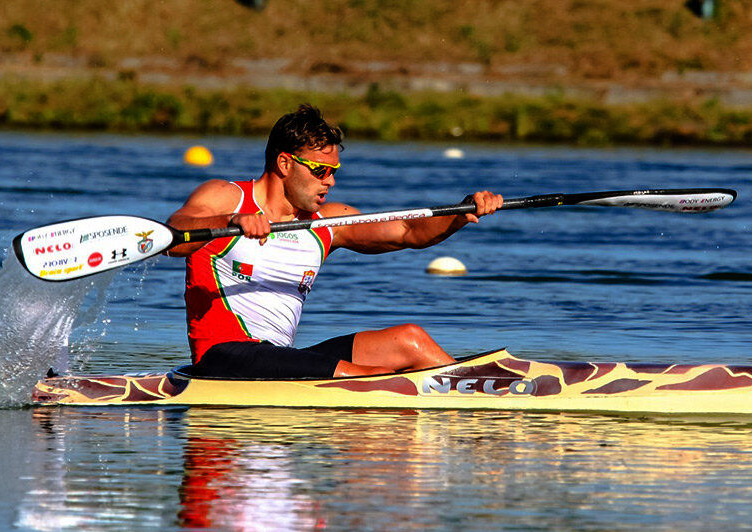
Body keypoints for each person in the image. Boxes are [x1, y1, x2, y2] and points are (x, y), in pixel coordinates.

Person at [166, 104, 503, 379]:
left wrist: (462, 212)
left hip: (280, 359)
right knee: (373, 377)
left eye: (334, 172)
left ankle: (480, 398)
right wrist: (231, 222)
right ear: (284, 163)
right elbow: (174, 235)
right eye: (319, 171)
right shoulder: (227, 197)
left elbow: (407, 230)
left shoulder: (327, 222)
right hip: (223, 359)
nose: (329, 182)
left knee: (410, 340)